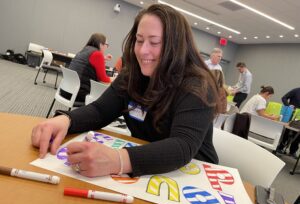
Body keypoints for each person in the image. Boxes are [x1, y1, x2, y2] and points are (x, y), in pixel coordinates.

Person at [31, 4, 221, 178]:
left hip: (191, 175)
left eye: (154, 42)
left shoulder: (198, 84)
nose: (143, 51)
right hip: (147, 167)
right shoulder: (133, 74)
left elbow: (182, 146)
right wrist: (67, 120)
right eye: (139, 40)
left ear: (177, 46)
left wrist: (118, 160)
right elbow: (100, 111)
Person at [67, 33, 113, 102]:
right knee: (107, 99)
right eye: (107, 45)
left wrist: (103, 59)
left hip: (67, 89)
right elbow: (104, 79)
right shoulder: (98, 54)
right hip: (79, 93)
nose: (107, 47)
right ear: (101, 44)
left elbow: (88, 62)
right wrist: (114, 79)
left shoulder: (84, 50)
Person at [276, 87, 300, 158]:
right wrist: (288, 105)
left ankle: (293, 151)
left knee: (298, 134)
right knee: (286, 131)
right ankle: (280, 147)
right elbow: (284, 98)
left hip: (299, 118)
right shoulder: (296, 90)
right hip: (291, 114)